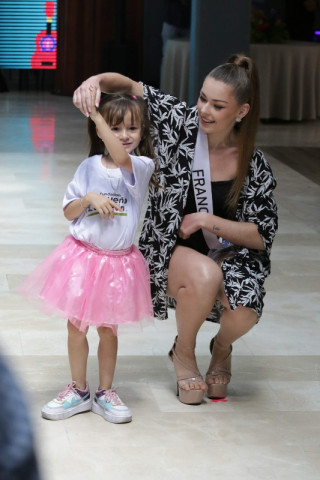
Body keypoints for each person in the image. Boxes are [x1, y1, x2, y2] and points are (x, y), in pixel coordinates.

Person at [73, 53, 278, 405]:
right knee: (205, 274)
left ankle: (222, 348)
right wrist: (93, 81)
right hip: (172, 251)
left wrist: (205, 220)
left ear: (241, 111)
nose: (204, 111)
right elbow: (125, 84)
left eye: (217, 105)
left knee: (243, 312)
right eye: (202, 99)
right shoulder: (180, 122)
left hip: (232, 255)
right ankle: (183, 352)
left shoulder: (253, 163)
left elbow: (261, 234)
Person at [19, 92, 156, 422]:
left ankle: (105, 391)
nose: (125, 135)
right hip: (82, 258)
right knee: (76, 325)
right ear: (100, 132)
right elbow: (69, 212)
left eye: (133, 128)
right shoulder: (88, 167)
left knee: (108, 329)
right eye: (116, 127)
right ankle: (78, 390)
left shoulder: (140, 166)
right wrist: (88, 199)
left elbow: (120, 155)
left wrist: (96, 116)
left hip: (118, 263)